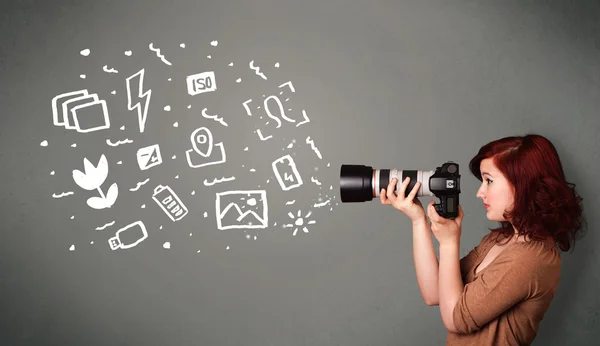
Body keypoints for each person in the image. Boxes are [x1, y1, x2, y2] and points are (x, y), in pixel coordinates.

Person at [379, 133, 585, 346]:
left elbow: (456, 320)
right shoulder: (499, 239)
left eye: (489, 181)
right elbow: (435, 293)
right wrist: (418, 220)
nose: (480, 192)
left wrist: (449, 243)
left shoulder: (532, 258)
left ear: (523, 184)